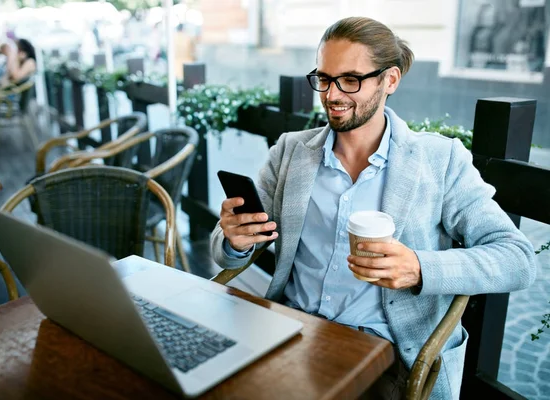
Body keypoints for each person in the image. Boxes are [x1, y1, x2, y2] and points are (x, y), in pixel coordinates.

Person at [210, 16, 537, 400]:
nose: (332, 95)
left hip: (387, 353)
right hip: (291, 330)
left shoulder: (440, 160)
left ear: (390, 80)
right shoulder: (290, 151)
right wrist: (236, 240)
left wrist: (418, 268)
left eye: (350, 80)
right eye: (324, 78)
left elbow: (518, 260)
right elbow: (225, 251)